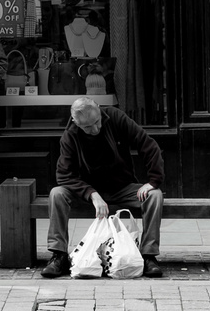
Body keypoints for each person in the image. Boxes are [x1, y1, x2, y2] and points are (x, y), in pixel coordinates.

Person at [42, 98, 164, 279]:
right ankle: (58, 255)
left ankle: (148, 256)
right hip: (88, 193)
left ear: (99, 110)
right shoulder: (70, 135)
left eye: (97, 122)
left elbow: (148, 145)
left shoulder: (115, 117)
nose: (96, 129)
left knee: (154, 195)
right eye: (88, 127)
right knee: (56, 194)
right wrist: (92, 194)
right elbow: (64, 176)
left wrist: (153, 181)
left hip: (122, 187)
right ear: (76, 122)